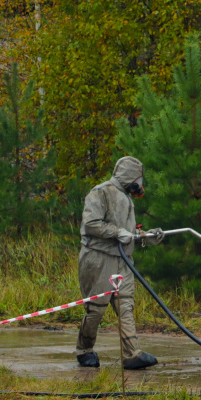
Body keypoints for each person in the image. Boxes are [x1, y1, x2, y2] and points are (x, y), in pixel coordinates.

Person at [76, 156, 164, 369]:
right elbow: (91, 224)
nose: (139, 185)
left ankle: (132, 354)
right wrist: (117, 232)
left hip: (123, 261)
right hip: (98, 260)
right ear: (130, 177)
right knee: (96, 310)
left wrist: (146, 236)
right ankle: (84, 350)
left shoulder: (126, 198)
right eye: (138, 179)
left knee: (126, 305)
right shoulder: (100, 192)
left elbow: (128, 231)